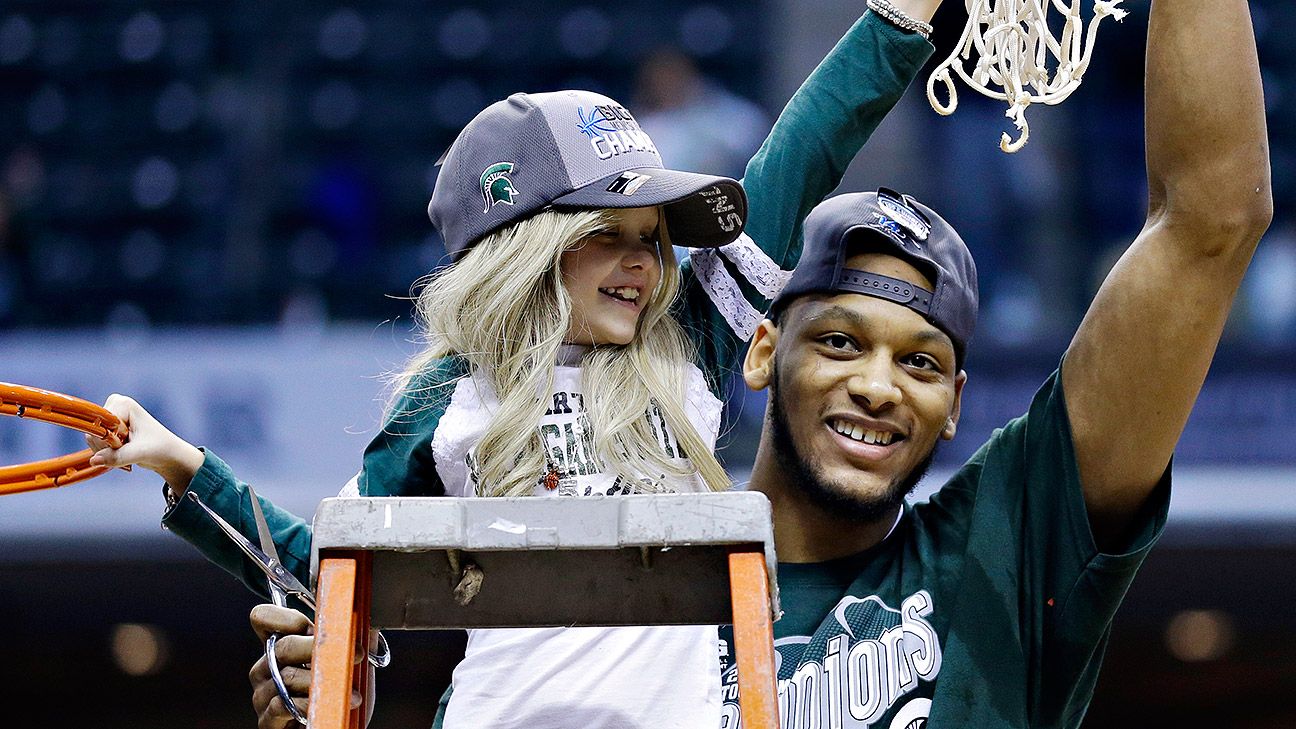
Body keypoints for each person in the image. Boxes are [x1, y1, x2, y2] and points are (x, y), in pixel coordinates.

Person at [88, 3, 948, 728]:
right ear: (525, 251)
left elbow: (798, 156)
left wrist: (897, 21)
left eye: (652, 238)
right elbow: (335, 564)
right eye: (604, 233)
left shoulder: (685, 346)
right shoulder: (448, 400)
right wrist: (181, 466)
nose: (642, 261)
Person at [716, 1, 1272, 726]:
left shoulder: (998, 554)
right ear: (763, 351)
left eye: (919, 362)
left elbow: (1213, 219)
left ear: (954, 402)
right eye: (840, 342)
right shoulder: (642, 584)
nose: (878, 386)